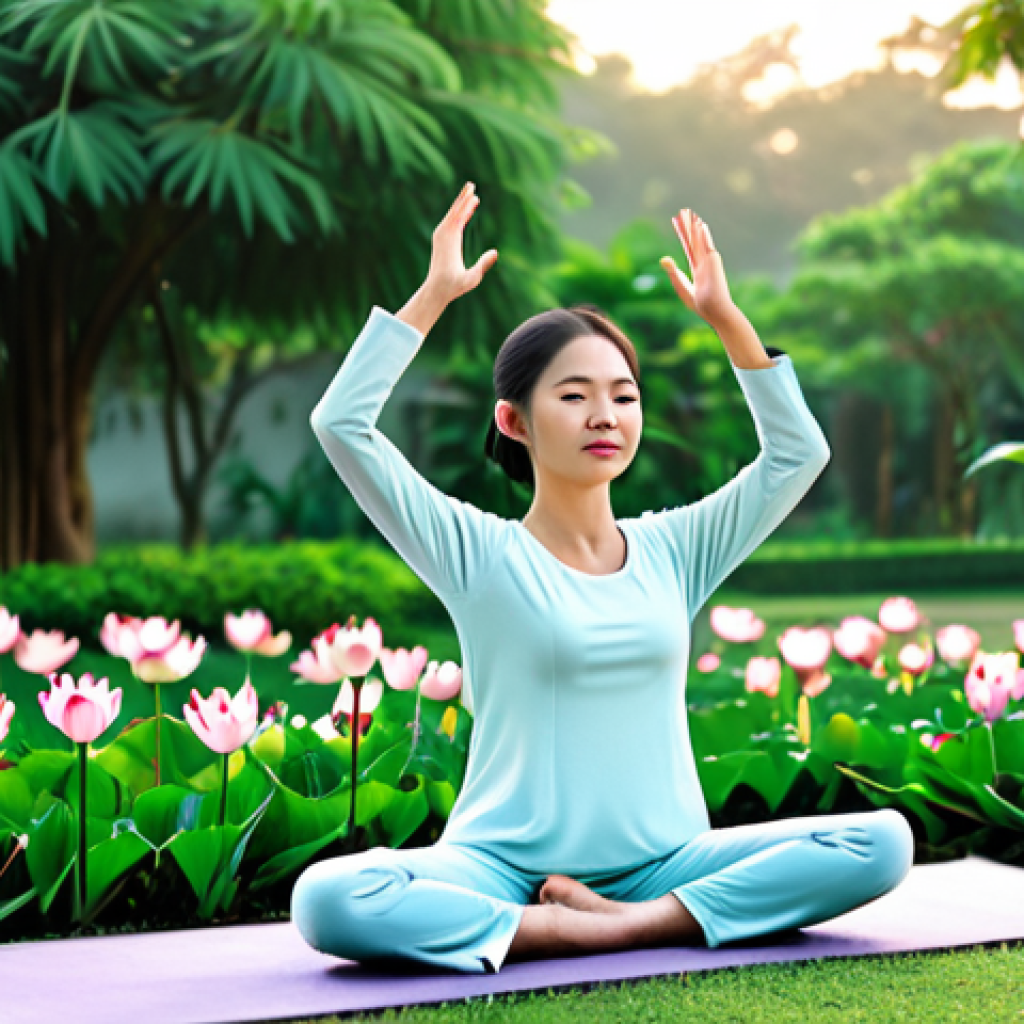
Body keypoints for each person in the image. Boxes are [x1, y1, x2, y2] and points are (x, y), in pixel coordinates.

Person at [291, 183, 915, 974]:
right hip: (499, 869)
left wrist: (727, 319)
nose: (605, 416)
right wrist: (434, 293)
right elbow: (340, 423)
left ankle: (626, 924)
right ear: (515, 420)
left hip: (666, 865)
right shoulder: (477, 554)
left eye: (623, 396)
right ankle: (572, 929)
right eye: (575, 396)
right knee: (330, 898)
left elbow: (798, 456)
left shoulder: (676, 549)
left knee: (882, 842)